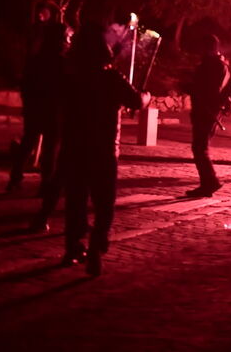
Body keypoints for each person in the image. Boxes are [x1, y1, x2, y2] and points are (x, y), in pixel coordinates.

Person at [59, 23, 149, 276]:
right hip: (103, 149)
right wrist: (146, 97)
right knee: (103, 202)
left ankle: (73, 247)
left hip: (75, 147)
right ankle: (97, 247)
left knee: (75, 201)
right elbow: (135, 100)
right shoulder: (111, 78)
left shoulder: (70, 78)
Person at [7, 3, 68, 193]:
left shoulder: (36, 60)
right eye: (66, 38)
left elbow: (25, 84)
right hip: (52, 111)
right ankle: (46, 183)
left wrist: (29, 104)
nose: (68, 41)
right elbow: (65, 88)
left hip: (35, 109)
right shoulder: (61, 63)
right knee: (50, 148)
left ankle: (15, 178)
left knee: (28, 143)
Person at [187, 35, 231, 197]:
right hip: (210, 111)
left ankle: (210, 182)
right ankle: (208, 182)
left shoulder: (212, 65)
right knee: (200, 147)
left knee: (200, 148)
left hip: (207, 111)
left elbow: (209, 90)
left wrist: (191, 88)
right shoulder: (221, 65)